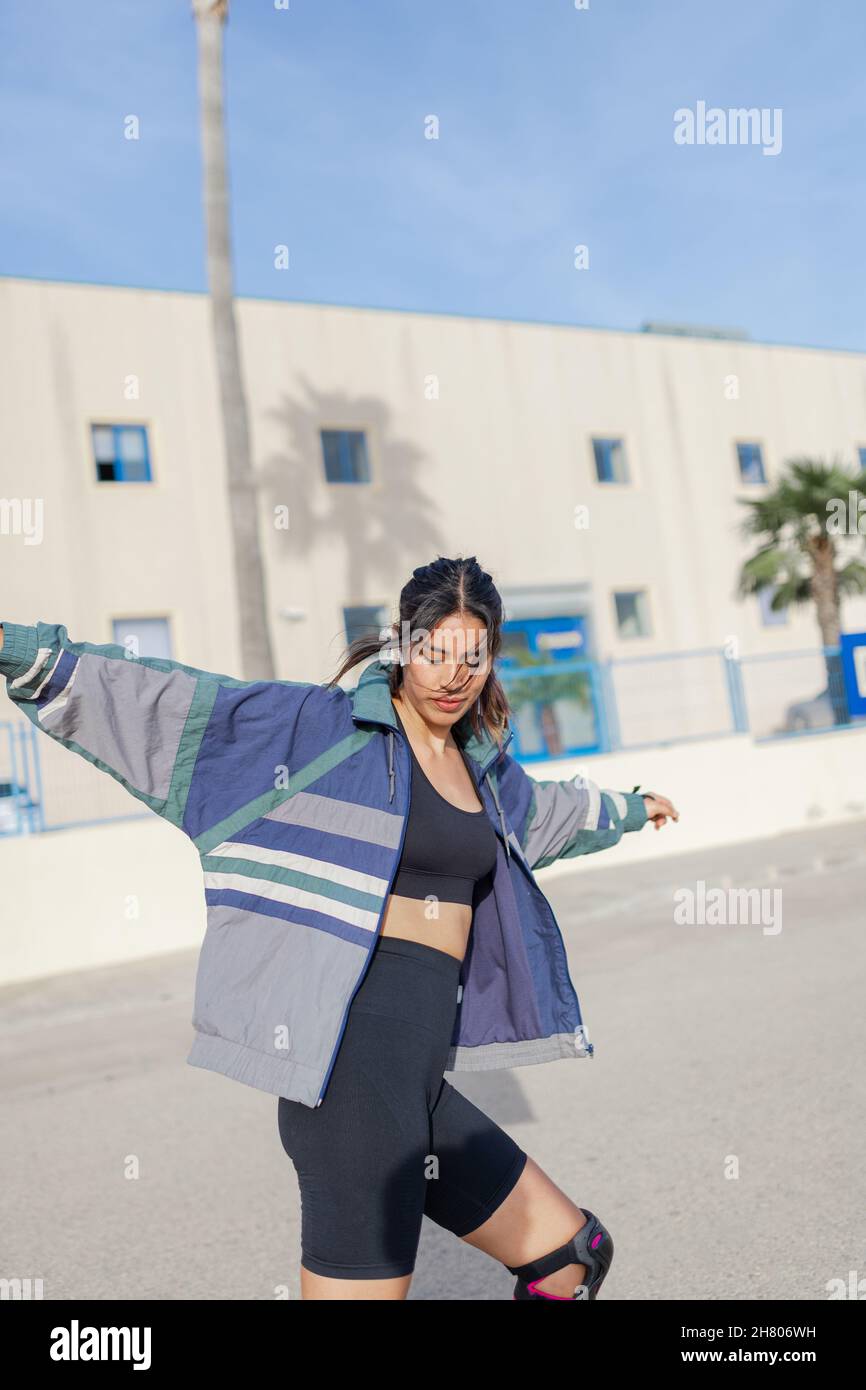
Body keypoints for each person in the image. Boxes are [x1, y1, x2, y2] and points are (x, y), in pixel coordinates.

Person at [0, 555, 677, 1301]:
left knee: (569, 1257)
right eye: (434, 653)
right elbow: (169, 703)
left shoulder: (481, 767)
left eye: (472, 657)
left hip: (415, 1082)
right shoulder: (317, 731)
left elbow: (545, 816)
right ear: (401, 644)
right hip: (350, 1080)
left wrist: (630, 808)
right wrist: (21, 650)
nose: (453, 676)